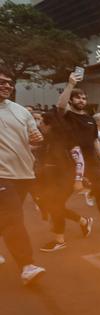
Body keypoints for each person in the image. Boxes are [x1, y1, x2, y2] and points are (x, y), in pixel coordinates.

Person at [57, 71, 100, 233]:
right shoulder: (67, 115)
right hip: (71, 162)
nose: (82, 100)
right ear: (72, 100)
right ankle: (81, 220)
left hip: (91, 162)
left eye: (84, 98)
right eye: (78, 97)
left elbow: (95, 140)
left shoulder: (89, 119)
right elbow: (60, 106)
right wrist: (71, 84)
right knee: (59, 200)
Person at [0, 66, 46, 284]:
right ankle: (27, 266)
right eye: (1, 81)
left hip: (24, 173)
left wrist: (37, 139)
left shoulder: (21, 111)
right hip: (2, 174)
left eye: (9, 82)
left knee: (7, 216)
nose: (7, 85)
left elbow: (33, 140)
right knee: (13, 218)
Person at [37, 111, 93, 252]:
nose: (38, 124)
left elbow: (79, 159)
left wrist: (78, 180)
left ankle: (59, 240)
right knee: (54, 205)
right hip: (52, 178)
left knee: (56, 206)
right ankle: (83, 221)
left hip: (66, 178)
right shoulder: (46, 138)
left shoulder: (66, 138)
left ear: (49, 124)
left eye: (40, 121)